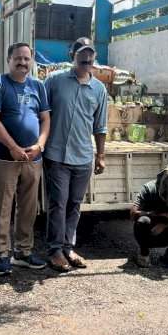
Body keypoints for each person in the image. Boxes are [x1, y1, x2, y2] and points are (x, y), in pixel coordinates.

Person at [0, 42, 50, 276]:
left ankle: (23, 252)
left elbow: (45, 119)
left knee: (29, 208)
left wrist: (40, 144)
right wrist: (11, 146)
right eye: (18, 58)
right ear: (9, 60)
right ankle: (0, 254)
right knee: (2, 207)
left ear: (31, 61)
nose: (22, 62)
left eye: (26, 59)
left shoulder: (38, 86)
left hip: (33, 158)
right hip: (4, 157)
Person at [43, 37, 108, 272]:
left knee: (75, 205)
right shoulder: (54, 81)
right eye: (82, 56)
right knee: (58, 204)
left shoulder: (99, 89)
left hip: (83, 157)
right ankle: (55, 250)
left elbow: (100, 127)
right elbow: (42, 114)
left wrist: (100, 155)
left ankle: (68, 247)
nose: (87, 61)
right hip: (56, 155)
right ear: (73, 56)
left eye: (90, 57)